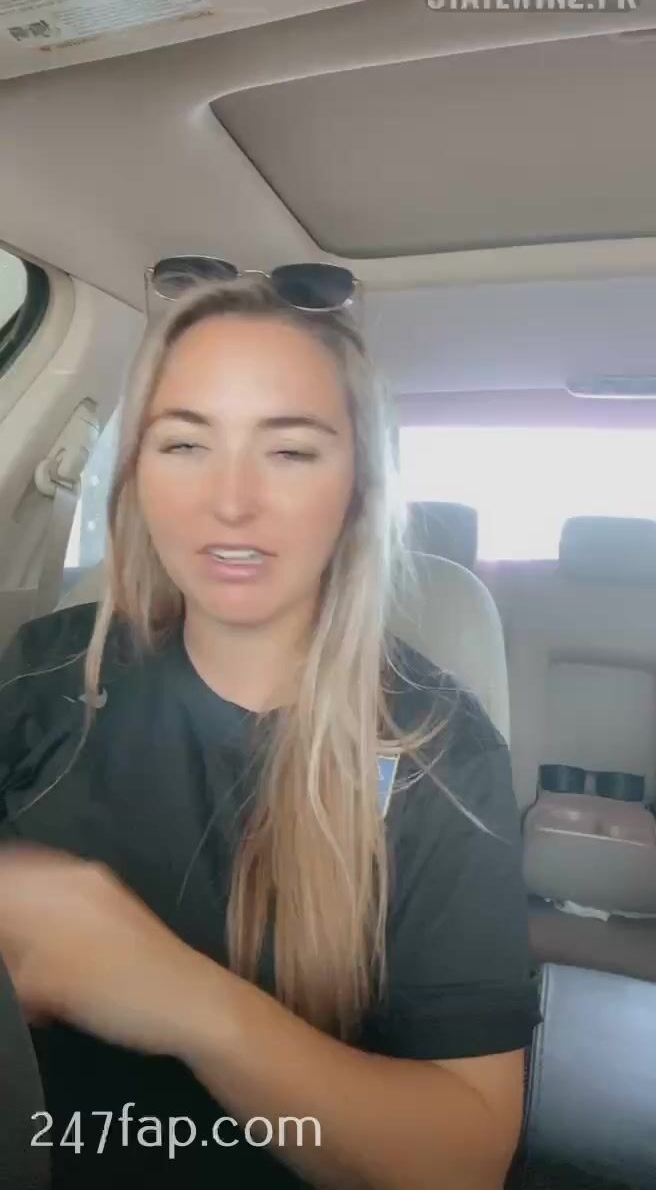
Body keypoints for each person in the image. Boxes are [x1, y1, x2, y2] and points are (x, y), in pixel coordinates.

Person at [0, 262, 541, 1189]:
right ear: (135, 475)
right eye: (184, 443)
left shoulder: (441, 754)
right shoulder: (47, 669)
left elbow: (465, 1159)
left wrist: (178, 996)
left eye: (289, 451)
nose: (230, 501)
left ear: (358, 486)